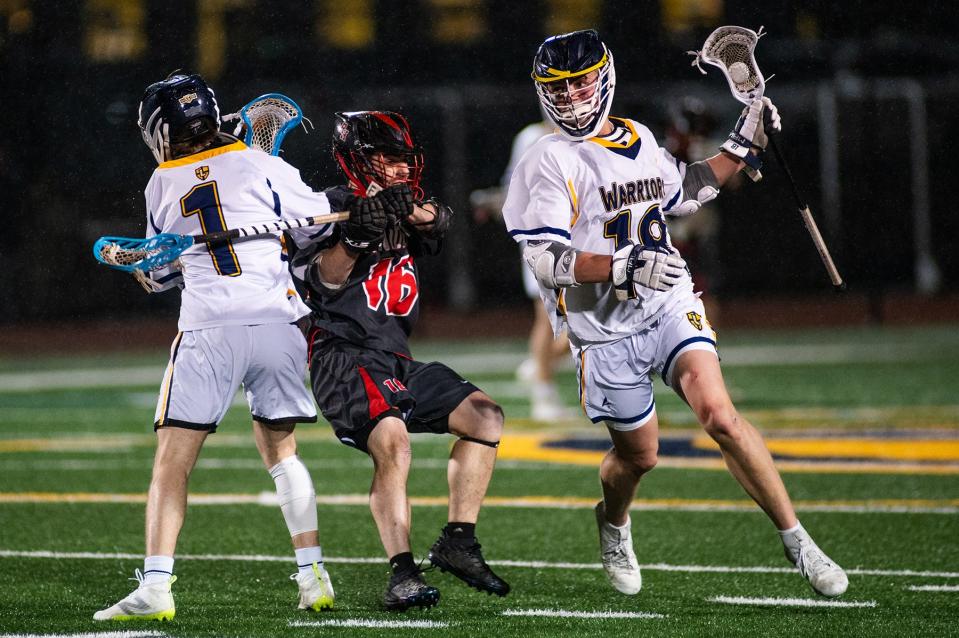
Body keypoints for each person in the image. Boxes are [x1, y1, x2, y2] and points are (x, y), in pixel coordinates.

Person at [502, 30, 848, 599]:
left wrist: (742, 145)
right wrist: (620, 266)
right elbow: (545, 259)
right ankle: (613, 523)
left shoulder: (635, 136)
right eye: (558, 90)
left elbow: (683, 189)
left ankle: (800, 542)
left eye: (580, 83)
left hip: (666, 301)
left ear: (605, 78)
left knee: (720, 415)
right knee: (639, 458)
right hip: (603, 329)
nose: (570, 98)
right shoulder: (548, 159)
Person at [92, 73, 379, 620]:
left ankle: (156, 586)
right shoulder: (261, 162)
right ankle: (313, 575)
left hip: (209, 328)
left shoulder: (162, 182)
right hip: (277, 322)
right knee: (282, 453)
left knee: (172, 464)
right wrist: (346, 205)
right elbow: (315, 224)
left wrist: (154, 271)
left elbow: (160, 275)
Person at [286, 111, 510, 611]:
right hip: (342, 355)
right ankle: (402, 574)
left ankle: (458, 542)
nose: (400, 170)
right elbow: (322, 281)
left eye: (404, 161)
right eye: (388, 160)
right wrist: (354, 237)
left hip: (394, 358)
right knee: (393, 440)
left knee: (486, 418)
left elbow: (440, 219)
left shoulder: (407, 204)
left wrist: (405, 210)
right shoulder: (326, 209)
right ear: (357, 161)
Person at [471, 117, 577, 422]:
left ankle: (539, 364)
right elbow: (516, 188)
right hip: (542, 237)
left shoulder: (590, 134)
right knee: (548, 317)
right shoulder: (532, 136)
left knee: (586, 318)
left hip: (578, 237)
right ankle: (543, 395)